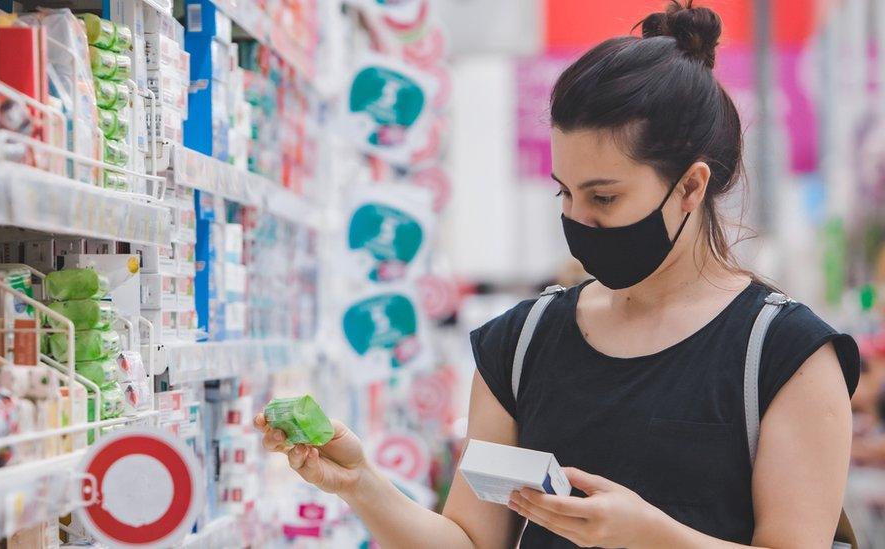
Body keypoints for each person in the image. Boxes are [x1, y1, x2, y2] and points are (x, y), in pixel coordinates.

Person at [254, 1, 860, 547]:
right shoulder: (522, 344)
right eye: (565, 194)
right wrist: (361, 484)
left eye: (603, 198)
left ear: (691, 187)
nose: (577, 220)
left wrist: (650, 538)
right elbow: (470, 543)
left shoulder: (784, 356)